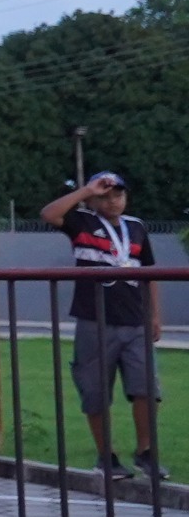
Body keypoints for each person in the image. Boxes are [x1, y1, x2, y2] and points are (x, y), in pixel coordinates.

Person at [40, 171, 163, 479]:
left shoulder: (136, 228)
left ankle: (145, 452)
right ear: (93, 199)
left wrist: (155, 315)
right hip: (94, 320)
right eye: (104, 196)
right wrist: (85, 191)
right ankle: (106, 456)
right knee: (95, 391)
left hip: (134, 320)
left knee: (146, 387)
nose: (112, 201)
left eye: (118, 195)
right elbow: (48, 214)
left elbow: (149, 273)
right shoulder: (81, 222)